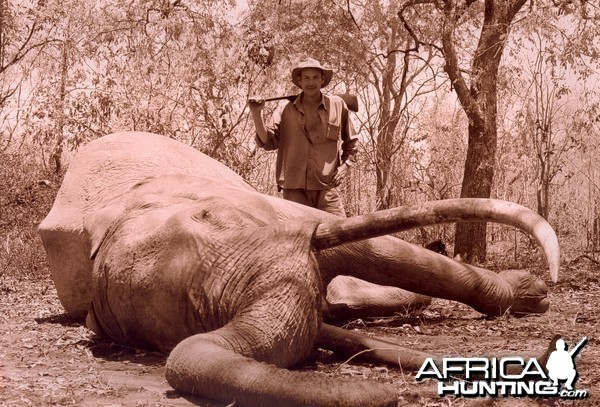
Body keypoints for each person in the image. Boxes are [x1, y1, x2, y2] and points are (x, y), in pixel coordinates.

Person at [248, 57, 358, 217]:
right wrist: (256, 114)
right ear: (299, 81)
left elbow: (352, 142)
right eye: (306, 78)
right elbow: (268, 142)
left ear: (322, 80)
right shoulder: (285, 109)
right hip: (294, 188)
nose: (310, 82)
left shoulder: (337, 105)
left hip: (326, 186)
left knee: (341, 234)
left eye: (315, 77)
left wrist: (344, 167)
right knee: (297, 238)